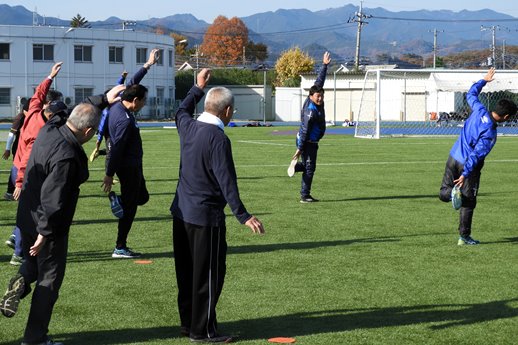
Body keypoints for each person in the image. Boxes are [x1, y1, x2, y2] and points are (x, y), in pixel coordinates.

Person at [0, 84, 123, 345]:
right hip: (48, 224)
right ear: (89, 132)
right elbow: (53, 199)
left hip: (26, 216)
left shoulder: (50, 128)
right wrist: (46, 233)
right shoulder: (67, 156)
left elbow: (69, 111)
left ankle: (20, 281)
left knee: (34, 263)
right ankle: (35, 338)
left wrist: (102, 99)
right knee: (50, 280)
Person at [171, 68, 264, 343]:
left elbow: (181, 111)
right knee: (209, 276)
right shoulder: (218, 139)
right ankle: (203, 331)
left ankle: (189, 324)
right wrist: (243, 215)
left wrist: (196, 87)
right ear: (226, 112)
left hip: (181, 214)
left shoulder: (187, 126)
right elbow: (226, 181)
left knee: (187, 274)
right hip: (205, 217)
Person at [439, 68, 517, 245]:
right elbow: (477, 154)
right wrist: (466, 174)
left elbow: (471, 94)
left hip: (453, 156)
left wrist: (484, 80)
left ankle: (449, 194)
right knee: (468, 201)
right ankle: (464, 237)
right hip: (468, 167)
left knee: (443, 191)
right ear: (506, 117)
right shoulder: (490, 133)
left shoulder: (479, 109)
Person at [101, 49, 159, 258]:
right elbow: (116, 149)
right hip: (128, 167)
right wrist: (109, 174)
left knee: (142, 197)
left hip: (132, 165)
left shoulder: (118, 103)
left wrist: (147, 64)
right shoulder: (124, 120)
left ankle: (122, 203)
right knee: (131, 206)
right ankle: (120, 247)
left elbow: (132, 82)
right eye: (143, 100)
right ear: (134, 100)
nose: (144, 104)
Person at [5, 62, 64, 266]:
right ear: (52, 113)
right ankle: (19, 253)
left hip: (17, 167)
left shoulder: (33, 111)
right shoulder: (41, 129)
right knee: (29, 212)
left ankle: (15, 238)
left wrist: (50, 77)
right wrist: (20, 183)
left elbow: (38, 94)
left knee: (26, 209)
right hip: (25, 171)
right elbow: (29, 156)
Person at [287, 51, 331, 203]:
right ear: (311, 96)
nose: (320, 98)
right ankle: (304, 195)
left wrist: (325, 65)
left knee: (309, 167)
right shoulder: (310, 112)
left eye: (322, 96)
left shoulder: (314, 96)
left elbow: (320, 81)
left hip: (311, 141)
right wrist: (300, 148)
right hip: (307, 142)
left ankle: (297, 167)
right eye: (318, 96)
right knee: (310, 168)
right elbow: (305, 130)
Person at [89, 70, 128, 163]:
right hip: (109, 134)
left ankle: (101, 152)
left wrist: (123, 77)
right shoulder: (107, 111)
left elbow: (118, 87)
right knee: (111, 154)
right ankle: (108, 176)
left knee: (119, 150)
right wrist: (98, 140)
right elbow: (102, 126)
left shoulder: (116, 105)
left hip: (117, 131)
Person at [2, 102, 27, 201]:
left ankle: (19, 191)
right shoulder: (20, 118)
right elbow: (11, 135)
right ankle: (10, 192)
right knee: (17, 169)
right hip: (18, 149)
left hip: (26, 148)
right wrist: (7, 149)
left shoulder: (31, 117)